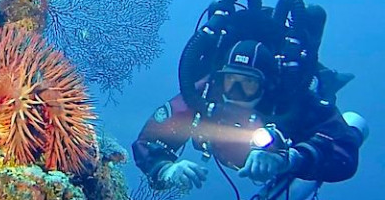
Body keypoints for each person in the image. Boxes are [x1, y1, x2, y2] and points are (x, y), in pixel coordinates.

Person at [132, 39, 363, 195]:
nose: (236, 93)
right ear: (220, 79)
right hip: (231, 156)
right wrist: (164, 168)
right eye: (231, 81)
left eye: (248, 84)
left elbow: (345, 152)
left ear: (265, 87)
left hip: (290, 161)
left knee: (354, 124)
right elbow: (149, 139)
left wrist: (288, 159)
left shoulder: (288, 100)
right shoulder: (204, 93)